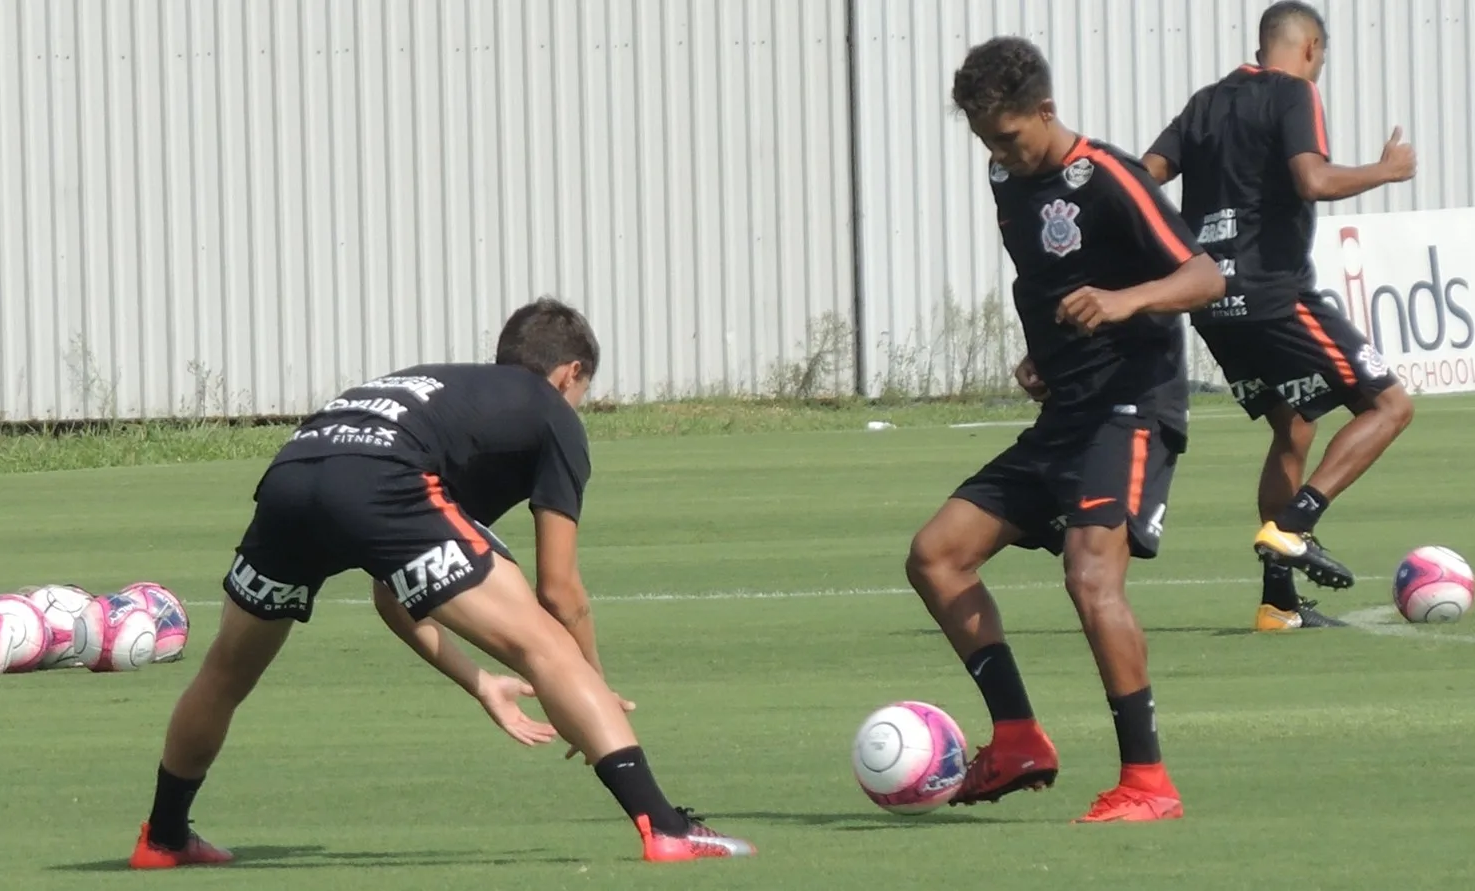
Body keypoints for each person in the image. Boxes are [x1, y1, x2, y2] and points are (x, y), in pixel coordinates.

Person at [127, 297, 754, 868]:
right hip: (380, 476)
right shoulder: (551, 415)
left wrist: (480, 682)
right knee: (548, 644)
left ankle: (163, 837)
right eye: (581, 391)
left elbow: (392, 586)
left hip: (293, 473)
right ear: (570, 374)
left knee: (225, 673)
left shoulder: (449, 395)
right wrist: (589, 682)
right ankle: (666, 830)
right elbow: (560, 591)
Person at [904, 36, 1224, 823]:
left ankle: (1149, 780)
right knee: (937, 557)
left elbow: (1208, 274)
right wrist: (1042, 354)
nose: (999, 153)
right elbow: (1050, 275)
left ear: (1046, 110)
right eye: (986, 141)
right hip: (1066, 410)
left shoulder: (1110, 176)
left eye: (1010, 136)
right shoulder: (1004, 175)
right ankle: (1016, 736)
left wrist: (1125, 301)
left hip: (1131, 407)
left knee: (1090, 577)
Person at [1141, 1, 1417, 631]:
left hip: (1212, 301)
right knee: (1390, 406)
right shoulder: (1294, 93)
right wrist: (1387, 170)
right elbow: (1311, 180)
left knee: (1292, 426)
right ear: (1311, 49)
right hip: (1273, 295)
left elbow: (1144, 175)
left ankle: (1278, 605)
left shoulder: (1205, 102)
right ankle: (1295, 525)